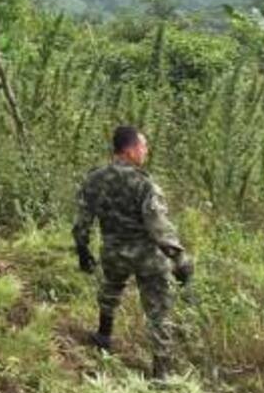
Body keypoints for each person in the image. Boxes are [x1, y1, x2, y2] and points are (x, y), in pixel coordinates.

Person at [72, 126, 194, 379]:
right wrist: (180, 260)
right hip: (147, 257)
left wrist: (82, 250)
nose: (146, 151)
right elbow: (159, 227)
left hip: (114, 252)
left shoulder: (94, 179)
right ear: (129, 150)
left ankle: (103, 336)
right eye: (143, 146)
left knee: (110, 291)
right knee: (158, 311)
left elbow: (83, 221)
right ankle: (161, 373)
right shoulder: (144, 184)